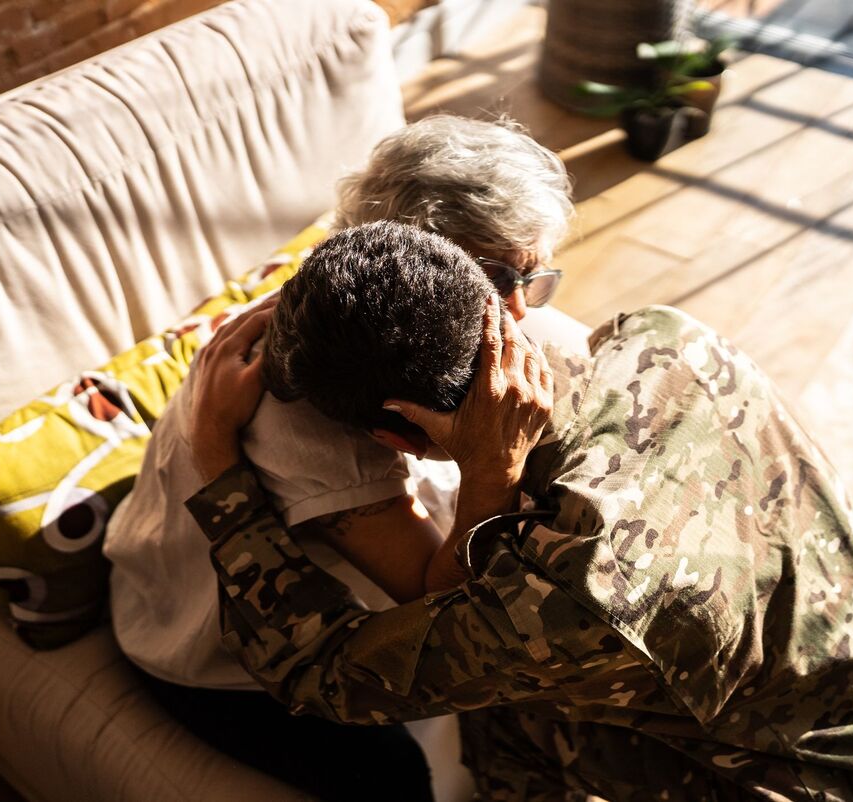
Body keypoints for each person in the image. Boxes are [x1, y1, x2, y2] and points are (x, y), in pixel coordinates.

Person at [184, 220, 853, 802]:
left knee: (501, 708)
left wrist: (217, 463)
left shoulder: (563, 600)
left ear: (396, 433)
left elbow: (319, 672)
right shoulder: (658, 337)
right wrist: (488, 485)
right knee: (514, 709)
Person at [102, 115, 574, 801]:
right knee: (390, 780)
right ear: (413, 265)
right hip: (205, 645)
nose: (521, 313)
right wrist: (491, 471)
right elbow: (436, 598)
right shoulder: (310, 422)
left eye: (534, 277)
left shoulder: (351, 301)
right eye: (498, 279)